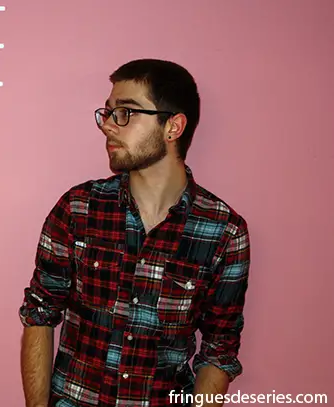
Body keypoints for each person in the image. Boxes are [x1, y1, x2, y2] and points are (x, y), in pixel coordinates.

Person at [18, 58, 251, 407]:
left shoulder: (224, 232)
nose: (108, 126)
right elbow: (40, 313)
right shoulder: (78, 208)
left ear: (173, 127)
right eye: (109, 113)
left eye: (125, 113)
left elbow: (219, 349)